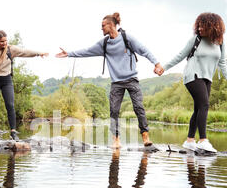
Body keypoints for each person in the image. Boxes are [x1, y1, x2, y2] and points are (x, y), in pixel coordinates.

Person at [56, 12, 164, 148]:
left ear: (111, 25)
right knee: (114, 111)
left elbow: (144, 50)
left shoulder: (126, 38)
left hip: (131, 79)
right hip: (116, 82)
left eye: (103, 26)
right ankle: (116, 140)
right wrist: (69, 54)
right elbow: (87, 51)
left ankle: (145, 137)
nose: (101, 29)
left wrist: (157, 63)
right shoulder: (104, 43)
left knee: (139, 108)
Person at [160, 12, 227, 153]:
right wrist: (164, 68)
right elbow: (180, 55)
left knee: (198, 108)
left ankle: (189, 140)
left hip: (207, 77)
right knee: (204, 104)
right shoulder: (195, 40)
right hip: (192, 75)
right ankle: (203, 140)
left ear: (212, 27)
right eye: (198, 26)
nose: (199, 29)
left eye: (202, 26)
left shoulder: (220, 42)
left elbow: (222, 62)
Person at [0, 30, 48, 140]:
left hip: (7, 80)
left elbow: (25, 52)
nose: (4, 43)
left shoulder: (11, 49)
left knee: (10, 105)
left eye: (5, 41)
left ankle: (13, 131)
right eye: (1, 41)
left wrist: (39, 53)